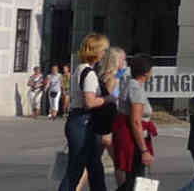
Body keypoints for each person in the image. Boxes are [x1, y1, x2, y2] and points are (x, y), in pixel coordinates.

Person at [57, 34, 114, 191]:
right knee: (76, 168)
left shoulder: (80, 69)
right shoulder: (88, 73)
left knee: (94, 165)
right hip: (83, 122)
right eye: (103, 50)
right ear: (95, 51)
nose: (104, 54)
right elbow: (89, 102)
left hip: (81, 121)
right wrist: (108, 99)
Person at [114, 55, 157, 191]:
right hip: (133, 140)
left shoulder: (130, 85)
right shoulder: (136, 89)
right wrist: (144, 150)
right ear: (146, 72)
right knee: (134, 181)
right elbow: (136, 121)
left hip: (129, 137)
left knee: (132, 180)